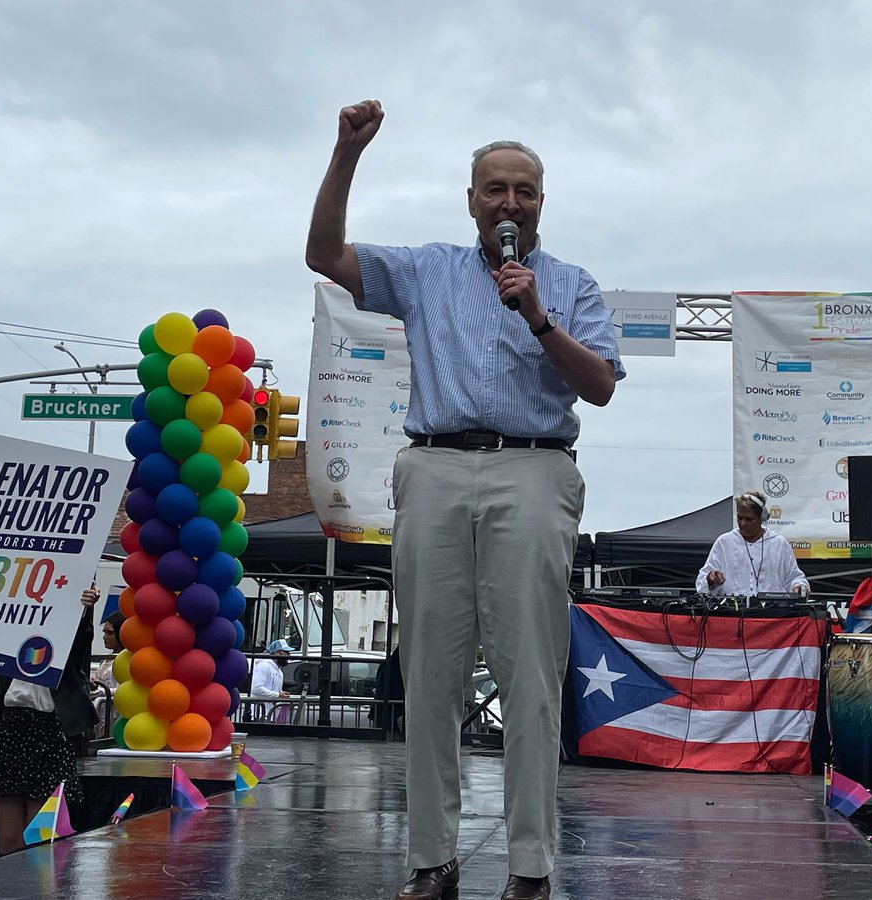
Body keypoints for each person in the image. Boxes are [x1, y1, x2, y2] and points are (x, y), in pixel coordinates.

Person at [306, 99, 624, 900]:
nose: (508, 203)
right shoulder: (425, 269)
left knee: (529, 676)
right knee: (433, 675)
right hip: (436, 467)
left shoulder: (571, 285)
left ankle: (530, 867)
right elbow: (322, 253)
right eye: (494, 189)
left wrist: (539, 318)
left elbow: (601, 389)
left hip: (534, 468)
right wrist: (346, 155)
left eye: (524, 189)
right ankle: (431, 859)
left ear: (542, 203)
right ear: (471, 199)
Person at [0, 585, 101, 854]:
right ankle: (12, 892)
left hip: (47, 729)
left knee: (39, 836)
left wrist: (85, 608)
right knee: (10, 838)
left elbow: (81, 639)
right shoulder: (5, 633)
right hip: (10, 729)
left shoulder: (61, 638)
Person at [695, 491, 810, 597]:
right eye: (740, 518)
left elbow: (794, 578)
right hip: (733, 615)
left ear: (762, 518)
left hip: (773, 615)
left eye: (749, 519)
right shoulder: (724, 542)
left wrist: (799, 586)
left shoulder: (779, 543)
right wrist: (710, 579)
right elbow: (701, 583)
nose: (743, 523)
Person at [92, 611, 126, 737]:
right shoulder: (105, 658)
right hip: (101, 713)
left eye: (110, 632)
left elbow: (125, 689)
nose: (105, 637)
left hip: (117, 716)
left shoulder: (128, 659)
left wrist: (101, 692)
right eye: (104, 632)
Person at [250, 638, 292, 720]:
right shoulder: (263, 666)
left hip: (269, 716)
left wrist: (281, 693)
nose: (289, 655)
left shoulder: (279, 672)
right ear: (277, 653)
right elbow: (256, 689)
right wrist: (278, 695)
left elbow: (273, 690)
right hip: (258, 715)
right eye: (286, 652)